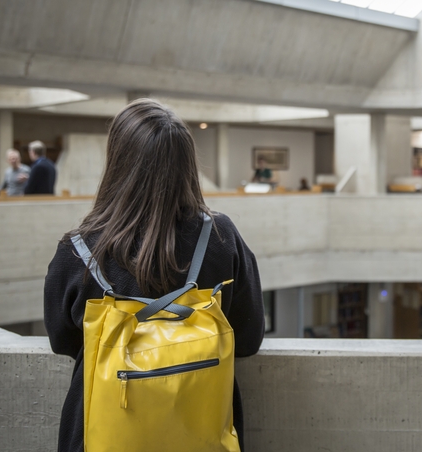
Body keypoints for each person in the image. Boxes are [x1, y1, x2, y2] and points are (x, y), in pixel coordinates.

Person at [43, 99, 264, 452]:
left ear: (117, 162)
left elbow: (63, 342)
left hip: (100, 433)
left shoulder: (78, 250)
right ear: (187, 163)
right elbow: (249, 339)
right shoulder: (220, 236)